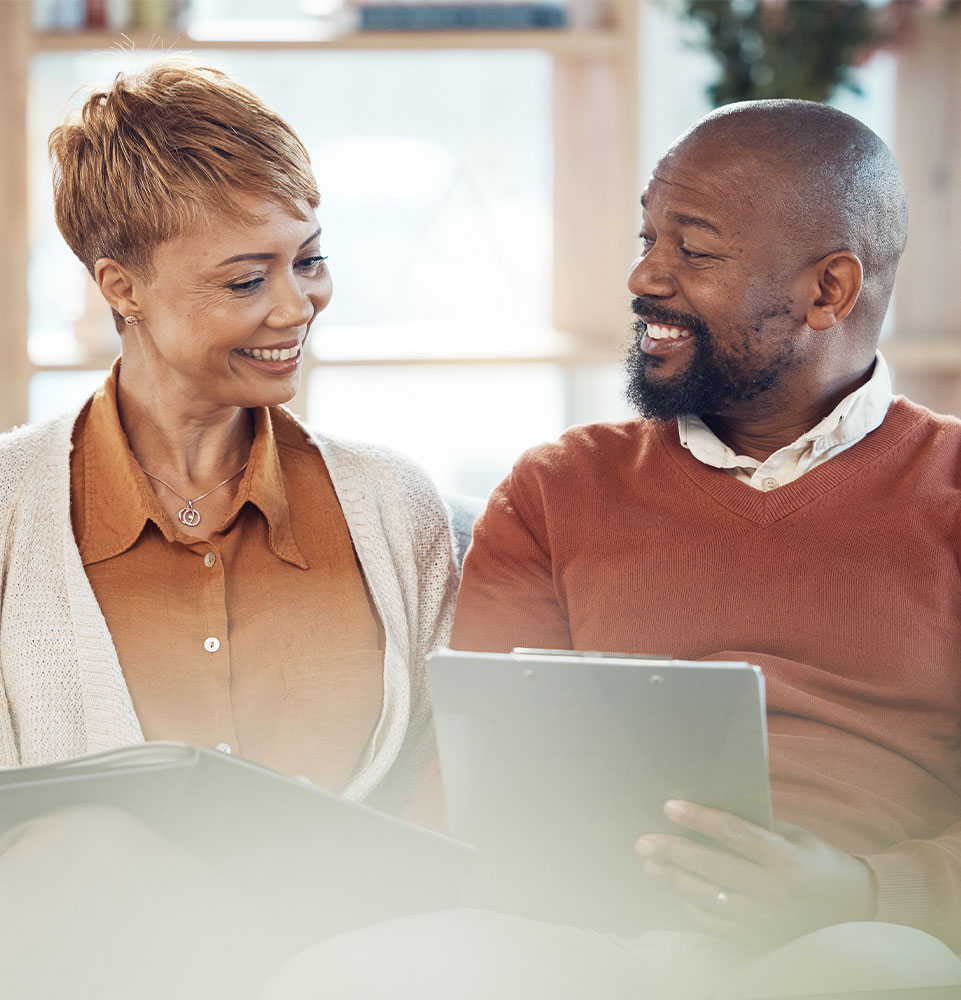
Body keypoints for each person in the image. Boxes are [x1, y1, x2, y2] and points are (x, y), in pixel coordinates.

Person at [263, 100, 961, 999]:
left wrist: (864, 891)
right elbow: (469, 788)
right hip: (580, 938)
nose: (644, 276)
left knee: (877, 975)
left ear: (827, 290)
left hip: (847, 936)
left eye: (694, 250)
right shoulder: (557, 490)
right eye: (647, 235)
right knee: (333, 975)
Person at [0, 57, 456, 997]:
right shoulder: (11, 512)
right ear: (120, 286)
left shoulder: (399, 509)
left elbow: (453, 802)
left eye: (309, 259)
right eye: (246, 280)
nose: (296, 308)